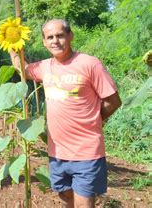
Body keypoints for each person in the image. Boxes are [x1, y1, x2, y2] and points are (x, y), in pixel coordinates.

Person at [9, 19, 122, 208]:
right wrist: (12, 41)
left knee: (84, 204)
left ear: (70, 36)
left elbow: (113, 101)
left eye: (60, 35)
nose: (55, 41)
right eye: (50, 37)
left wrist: (95, 119)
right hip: (57, 152)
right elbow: (22, 68)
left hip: (87, 152)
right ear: (44, 42)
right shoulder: (45, 67)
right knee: (66, 198)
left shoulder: (89, 64)